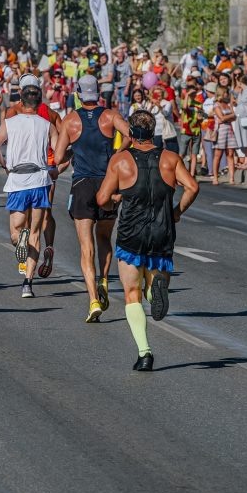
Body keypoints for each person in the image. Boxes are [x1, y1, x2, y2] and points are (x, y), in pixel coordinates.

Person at [96, 110, 200, 371]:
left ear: (130, 133)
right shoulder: (170, 158)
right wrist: (177, 212)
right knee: (151, 282)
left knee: (132, 295)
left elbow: (101, 199)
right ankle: (155, 291)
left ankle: (145, 353)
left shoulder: (120, 161)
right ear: (153, 131)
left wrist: (117, 199)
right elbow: (193, 187)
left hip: (131, 232)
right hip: (162, 230)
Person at [54, 74, 130, 322]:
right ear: (97, 93)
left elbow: (57, 158)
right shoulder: (109, 116)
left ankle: (93, 300)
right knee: (105, 237)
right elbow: (131, 133)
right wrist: (117, 152)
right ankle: (104, 280)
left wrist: (73, 148)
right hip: (107, 183)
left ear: (77, 93)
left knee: (86, 247)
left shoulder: (69, 121)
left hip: (82, 184)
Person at [0, 81, 57, 299]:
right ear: (39, 103)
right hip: (39, 179)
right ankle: (27, 284)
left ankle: (20, 239)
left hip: (17, 179)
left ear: (21, 101)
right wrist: (57, 167)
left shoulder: (10, 122)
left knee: (15, 232)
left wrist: (5, 165)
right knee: (35, 234)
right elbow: (60, 150)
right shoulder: (47, 125)